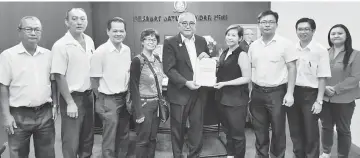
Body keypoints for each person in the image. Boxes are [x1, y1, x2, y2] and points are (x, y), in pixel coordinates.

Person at [0, 16, 58, 158]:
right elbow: (3, 87)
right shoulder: (8, 56)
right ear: (19, 31)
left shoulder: (48, 55)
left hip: (45, 113)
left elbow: (54, 82)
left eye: (37, 29)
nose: (33, 32)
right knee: (18, 154)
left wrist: (55, 105)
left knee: (47, 154)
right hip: (18, 115)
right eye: (28, 29)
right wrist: (6, 116)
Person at [248, 10, 297, 158]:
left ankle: (277, 155)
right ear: (259, 25)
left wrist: (290, 93)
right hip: (257, 93)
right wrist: (250, 91)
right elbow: (251, 69)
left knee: (278, 130)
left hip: (277, 93)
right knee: (259, 129)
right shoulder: (253, 45)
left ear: (276, 24)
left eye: (270, 22)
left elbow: (292, 68)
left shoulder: (286, 44)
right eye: (263, 22)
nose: (267, 25)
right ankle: (261, 155)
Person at [162, 12, 210, 158]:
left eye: (191, 23)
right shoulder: (170, 42)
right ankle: (178, 155)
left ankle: (194, 155)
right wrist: (186, 82)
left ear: (195, 25)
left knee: (197, 127)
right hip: (179, 93)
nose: (188, 26)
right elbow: (169, 69)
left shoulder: (202, 41)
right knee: (178, 129)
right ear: (178, 25)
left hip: (199, 93)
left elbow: (207, 63)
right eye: (184, 23)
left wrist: (207, 58)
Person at [51, 8, 95, 158]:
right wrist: (69, 102)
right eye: (75, 19)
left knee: (88, 139)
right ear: (67, 22)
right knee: (71, 141)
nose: (79, 22)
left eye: (82, 19)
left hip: (89, 96)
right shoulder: (60, 45)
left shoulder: (89, 40)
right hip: (71, 98)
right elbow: (58, 75)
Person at [287, 18, 331, 158]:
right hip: (292, 92)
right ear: (296, 31)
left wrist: (319, 101)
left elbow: (323, 77)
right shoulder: (291, 49)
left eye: (306, 29)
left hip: (311, 94)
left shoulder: (320, 50)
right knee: (295, 131)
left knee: (311, 132)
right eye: (300, 29)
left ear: (313, 31)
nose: (303, 32)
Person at [90, 17, 130, 158]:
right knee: (109, 137)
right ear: (108, 31)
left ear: (125, 32)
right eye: (115, 31)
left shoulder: (126, 50)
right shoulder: (100, 52)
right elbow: (93, 80)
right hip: (108, 100)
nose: (118, 34)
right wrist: (101, 101)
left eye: (121, 31)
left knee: (124, 134)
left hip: (125, 98)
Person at [319, 24, 360, 158]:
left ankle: (342, 155)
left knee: (343, 130)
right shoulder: (324, 53)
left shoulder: (355, 55)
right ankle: (326, 152)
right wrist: (323, 88)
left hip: (344, 100)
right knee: (326, 127)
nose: (336, 36)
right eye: (333, 33)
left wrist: (335, 89)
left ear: (346, 36)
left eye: (339, 33)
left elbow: (354, 78)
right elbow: (317, 73)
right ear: (329, 37)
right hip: (325, 98)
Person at [214, 24, 251, 158]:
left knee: (237, 134)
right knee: (228, 132)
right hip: (222, 99)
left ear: (240, 38)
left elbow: (247, 78)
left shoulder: (241, 54)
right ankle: (230, 155)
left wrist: (224, 84)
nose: (230, 38)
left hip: (236, 100)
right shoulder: (225, 52)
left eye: (233, 35)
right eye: (228, 35)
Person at [130, 28, 163, 158]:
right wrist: (138, 112)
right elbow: (133, 87)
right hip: (144, 105)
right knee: (143, 140)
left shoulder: (156, 59)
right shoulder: (137, 60)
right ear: (142, 42)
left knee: (153, 138)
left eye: (154, 39)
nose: (151, 41)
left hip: (156, 104)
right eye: (148, 39)